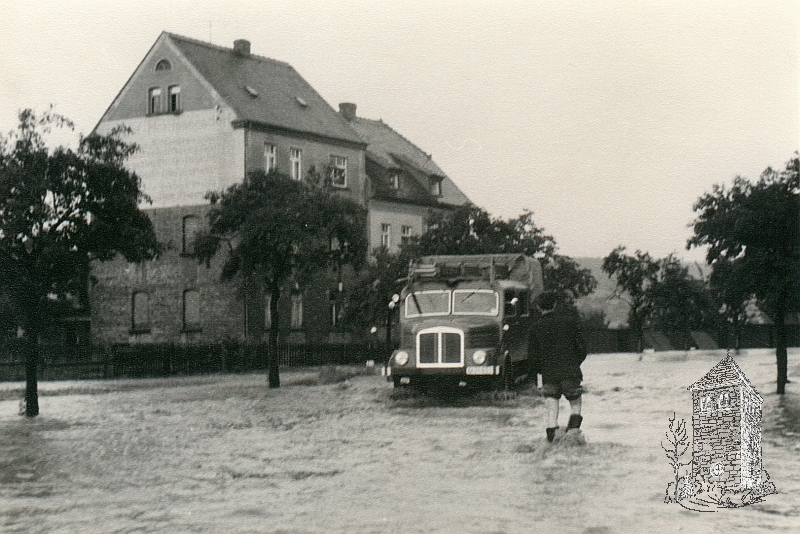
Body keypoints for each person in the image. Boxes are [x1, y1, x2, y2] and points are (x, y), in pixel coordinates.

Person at [529, 291, 587, 442]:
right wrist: (574, 362)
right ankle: (573, 435)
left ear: (538, 307)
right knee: (575, 405)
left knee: (551, 410)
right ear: (555, 305)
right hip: (571, 372)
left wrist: (540, 372)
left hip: (549, 375)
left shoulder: (535, 328)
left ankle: (552, 440)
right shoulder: (570, 322)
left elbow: (533, 359)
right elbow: (582, 349)